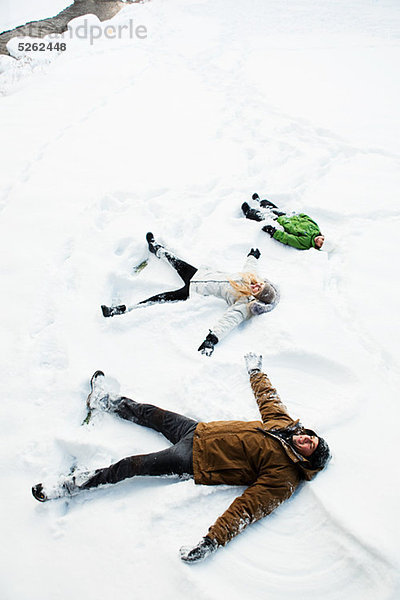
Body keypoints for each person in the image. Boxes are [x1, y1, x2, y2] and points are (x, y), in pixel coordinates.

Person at [32, 354, 331, 563]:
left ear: (306, 460)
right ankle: (105, 402)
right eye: (310, 437)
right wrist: (256, 371)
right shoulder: (286, 426)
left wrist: (212, 541)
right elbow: (268, 399)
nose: (304, 439)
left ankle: (70, 485)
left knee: (132, 465)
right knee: (150, 413)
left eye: (308, 446)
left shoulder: (284, 478)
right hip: (199, 430)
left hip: (194, 459)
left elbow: (248, 508)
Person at [101, 233, 280, 356]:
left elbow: (230, 319)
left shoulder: (244, 302)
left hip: (192, 291)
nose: (256, 286)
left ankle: (123, 309)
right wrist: (253, 256)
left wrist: (212, 338)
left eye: (258, 291)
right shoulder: (252, 278)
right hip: (198, 275)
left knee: (158, 299)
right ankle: (155, 248)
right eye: (260, 284)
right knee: (174, 260)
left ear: (257, 298)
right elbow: (250, 267)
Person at [242, 193, 325, 250]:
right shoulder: (315, 228)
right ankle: (258, 202)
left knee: (262, 215)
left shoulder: (306, 243)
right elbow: (306, 217)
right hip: (287, 216)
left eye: (320, 244)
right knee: (268, 205)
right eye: (323, 240)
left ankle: (248, 211)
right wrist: (297, 215)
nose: (319, 241)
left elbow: (288, 239)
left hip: (279, 223)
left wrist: (273, 232)